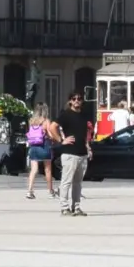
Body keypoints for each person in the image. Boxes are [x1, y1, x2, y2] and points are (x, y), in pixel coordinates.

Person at [53, 88, 91, 217]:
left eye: (79, 99)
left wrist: (88, 147)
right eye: (74, 99)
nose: (77, 101)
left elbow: (84, 134)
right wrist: (61, 140)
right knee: (66, 181)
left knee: (78, 183)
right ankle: (64, 207)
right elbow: (52, 127)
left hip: (82, 153)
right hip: (69, 153)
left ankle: (76, 207)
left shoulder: (84, 115)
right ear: (70, 101)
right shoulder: (66, 114)